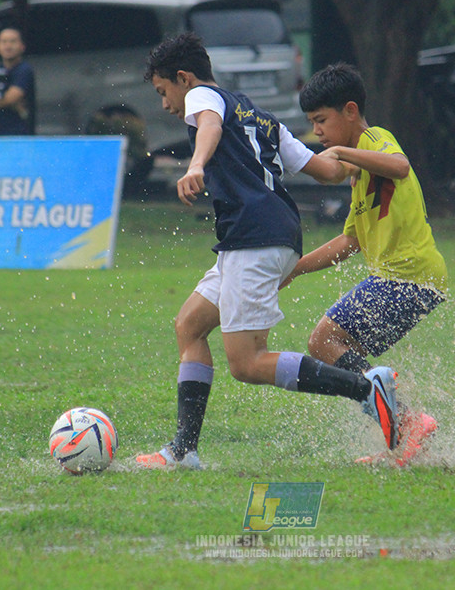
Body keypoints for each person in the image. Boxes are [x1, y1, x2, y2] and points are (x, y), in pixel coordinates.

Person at [134, 33, 401, 470]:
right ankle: (183, 452)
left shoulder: (204, 97)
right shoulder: (258, 116)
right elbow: (329, 171)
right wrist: (360, 159)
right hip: (260, 236)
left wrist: (197, 164)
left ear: (183, 79)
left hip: (255, 239)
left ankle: (367, 388)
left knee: (247, 362)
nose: (165, 105)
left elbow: (210, 127)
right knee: (190, 326)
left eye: (164, 92)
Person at [282, 62, 449, 467]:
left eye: (322, 121)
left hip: (408, 277)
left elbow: (401, 166)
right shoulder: (360, 177)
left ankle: (408, 422)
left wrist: (340, 153)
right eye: (312, 123)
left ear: (351, 111)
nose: (317, 132)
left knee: (323, 340)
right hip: (409, 280)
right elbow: (350, 242)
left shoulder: (376, 140)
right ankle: (405, 433)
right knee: (341, 351)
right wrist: (296, 268)